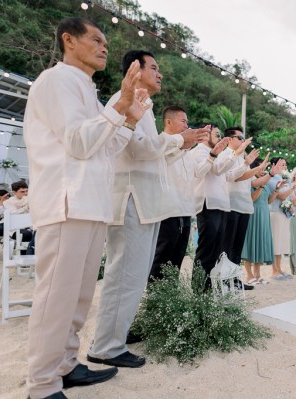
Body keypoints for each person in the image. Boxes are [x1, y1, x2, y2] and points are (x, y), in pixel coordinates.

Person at [24, 17, 150, 399]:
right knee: (57, 297)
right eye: (95, 39)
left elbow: (105, 151)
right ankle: (42, 384)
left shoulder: (88, 90)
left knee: (78, 297)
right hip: (67, 202)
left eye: (106, 42)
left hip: (92, 203)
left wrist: (127, 119)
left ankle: (66, 364)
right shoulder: (55, 80)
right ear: (69, 40)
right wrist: (120, 109)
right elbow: (78, 143)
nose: (104, 47)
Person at [88, 50, 209, 369]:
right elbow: (141, 149)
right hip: (131, 200)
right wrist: (176, 140)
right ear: (134, 70)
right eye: (154, 67)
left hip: (143, 202)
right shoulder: (126, 99)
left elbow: (151, 155)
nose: (160, 74)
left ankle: (114, 339)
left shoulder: (145, 104)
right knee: (124, 274)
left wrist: (180, 143)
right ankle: (106, 346)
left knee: (133, 275)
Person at [148, 106, 207, 282]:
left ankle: (170, 298)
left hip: (184, 210)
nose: (186, 125)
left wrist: (211, 154)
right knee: (161, 259)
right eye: (183, 121)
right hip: (166, 211)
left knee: (177, 259)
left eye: (187, 122)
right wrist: (182, 145)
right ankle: (156, 301)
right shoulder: (159, 143)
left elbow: (198, 173)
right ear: (168, 122)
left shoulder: (188, 153)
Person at [193, 124, 253, 288]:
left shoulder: (217, 153)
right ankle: (199, 288)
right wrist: (236, 153)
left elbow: (229, 175)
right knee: (206, 250)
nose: (220, 138)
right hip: (208, 204)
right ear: (206, 135)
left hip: (221, 205)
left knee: (216, 251)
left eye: (220, 135)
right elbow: (217, 170)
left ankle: (209, 287)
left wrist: (246, 164)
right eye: (217, 134)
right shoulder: (199, 151)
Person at [220, 127, 267, 290]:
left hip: (245, 205)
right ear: (229, 139)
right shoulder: (226, 155)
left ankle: (234, 280)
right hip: (231, 205)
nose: (243, 141)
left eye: (243, 138)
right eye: (240, 138)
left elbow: (252, 182)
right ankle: (224, 280)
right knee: (228, 245)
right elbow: (236, 177)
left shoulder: (242, 157)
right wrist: (249, 165)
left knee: (237, 247)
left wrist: (269, 174)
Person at [242, 158, 279, 284]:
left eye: (264, 168)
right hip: (253, 214)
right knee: (251, 243)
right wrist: (261, 185)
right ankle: (249, 275)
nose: (263, 171)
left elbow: (268, 201)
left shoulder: (266, 183)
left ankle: (257, 274)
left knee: (259, 243)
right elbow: (252, 198)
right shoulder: (250, 182)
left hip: (264, 215)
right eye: (260, 168)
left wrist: (276, 190)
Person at [266, 157, 296, 279]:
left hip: (284, 213)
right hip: (275, 212)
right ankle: (274, 270)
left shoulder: (284, 179)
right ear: (274, 165)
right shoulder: (271, 179)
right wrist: (293, 186)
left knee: (281, 241)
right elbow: (282, 195)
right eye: (281, 164)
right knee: (275, 241)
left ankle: (279, 268)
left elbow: (287, 197)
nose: (284, 167)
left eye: (285, 164)